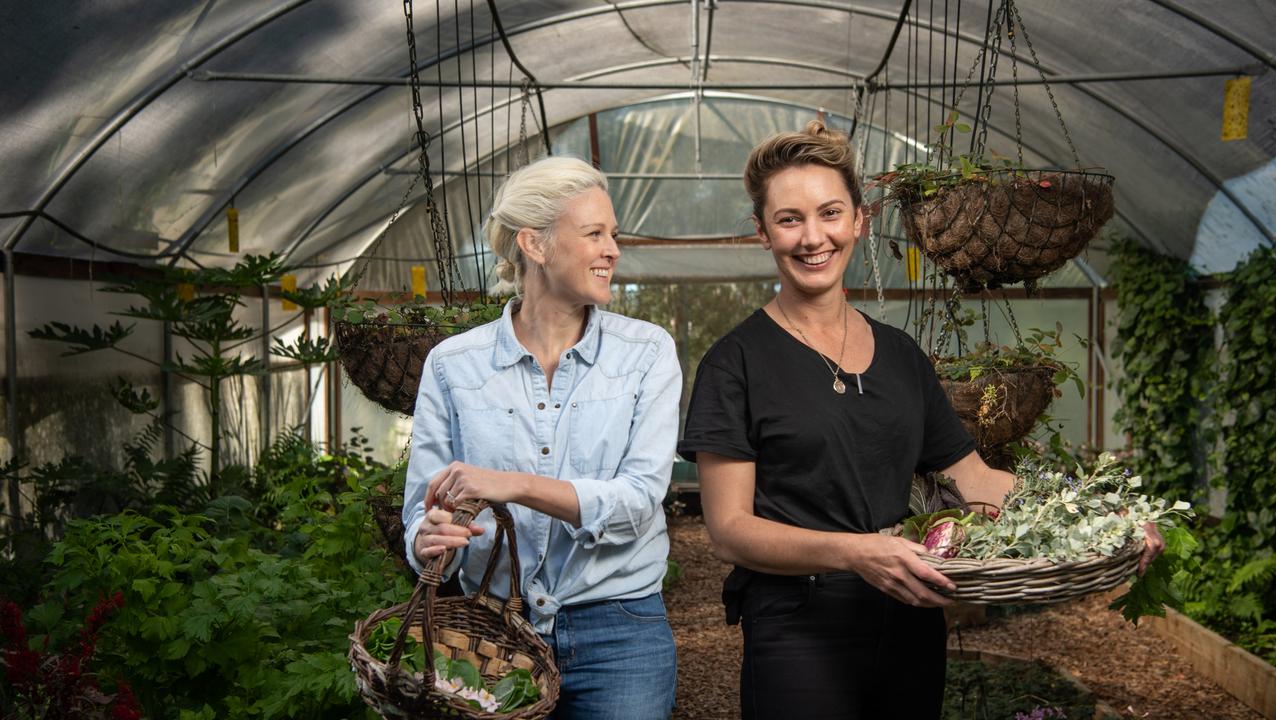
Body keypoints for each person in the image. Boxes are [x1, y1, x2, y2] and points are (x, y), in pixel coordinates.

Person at [677, 122, 1164, 718]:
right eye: (789, 219)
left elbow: (978, 482)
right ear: (762, 232)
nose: (813, 238)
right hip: (798, 630)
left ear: (860, 220)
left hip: (909, 615)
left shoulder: (903, 356)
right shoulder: (736, 363)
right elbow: (729, 530)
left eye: (830, 213)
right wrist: (858, 553)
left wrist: (1109, 517)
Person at [403, 156, 680, 720]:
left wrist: (515, 485)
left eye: (614, 234)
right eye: (594, 233)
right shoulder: (454, 365)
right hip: (490, 632)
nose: (613, 250)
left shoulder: (646, 353)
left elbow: (637, 503)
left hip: (618, 628)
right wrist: (427, 536)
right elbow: (420, 512)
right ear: (534, 244)